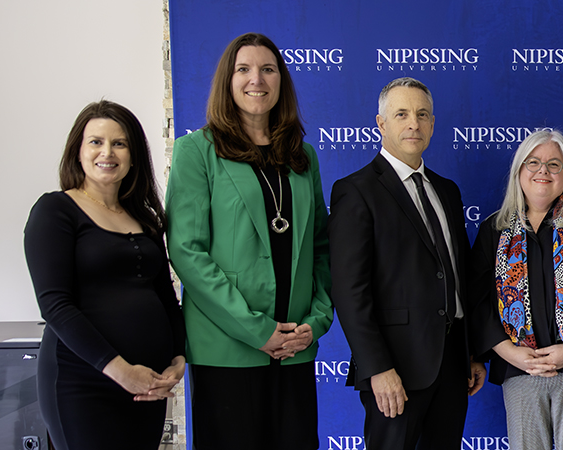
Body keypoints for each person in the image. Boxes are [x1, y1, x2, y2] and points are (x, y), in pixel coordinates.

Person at [165, 32, 333, 450]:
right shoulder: (196, 151)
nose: (256, 79)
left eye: (268, 69)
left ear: (281, 81)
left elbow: (322, 247)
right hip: (227, 350)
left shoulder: (304, 156)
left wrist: (315, 322)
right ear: (228, 79)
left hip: (294, 346)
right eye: (244, 69)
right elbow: (187, 252)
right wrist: (257, 330)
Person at [329, 76, 487, 449]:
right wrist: (377, 368)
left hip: (452, 363)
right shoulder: (356, 191)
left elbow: (459, 276)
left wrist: (472, 352)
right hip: (395, 367)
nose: (413, 123)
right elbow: (349, 291)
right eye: (401, 114)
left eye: (422, 114)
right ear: (381, 123)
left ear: (432, 124)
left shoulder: (447, 190)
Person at [23, 100, 185, 449]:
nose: (107, 152)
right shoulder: (55, 210)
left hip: (148, 385)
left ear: (133, 155)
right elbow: (55, 305)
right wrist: (122, 372)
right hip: (82, 383)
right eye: (96, 142)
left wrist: (178, 358)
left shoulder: (144, 218)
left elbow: (166, 297)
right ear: (78, 151)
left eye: (119, 143)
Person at [467, 129, 563, 450]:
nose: (543, 171)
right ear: (519, 171)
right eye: (534, 162)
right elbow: (478, 301)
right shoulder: (494, 230)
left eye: (554, 164)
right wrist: (509, 352)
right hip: (519, 369)